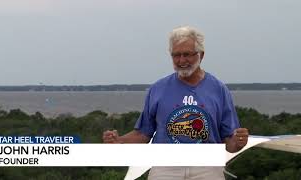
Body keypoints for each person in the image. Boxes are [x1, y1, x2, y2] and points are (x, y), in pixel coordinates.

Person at [103, 26, 249, 180]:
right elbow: (143, 134)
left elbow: (230, 143)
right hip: (164, 166)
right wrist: (119, 141)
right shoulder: (158, 89)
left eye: (187, 54)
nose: (181, 60)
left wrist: (239, 142)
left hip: (208, 167)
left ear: (201, 55)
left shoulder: (218, 89)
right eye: (176, 55)